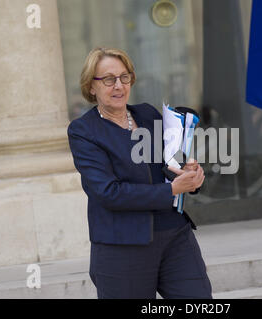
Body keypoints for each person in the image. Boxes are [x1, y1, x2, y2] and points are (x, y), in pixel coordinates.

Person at [67, 47, 213, 299]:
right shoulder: (84, 131)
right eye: (108, 79)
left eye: (125, 77)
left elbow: (169, 165)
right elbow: (108, 192)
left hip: (175, 236)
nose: (118, 86)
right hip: (122, 245)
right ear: (92, 86)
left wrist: (189, 175)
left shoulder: (146, 114)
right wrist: (170, 190)